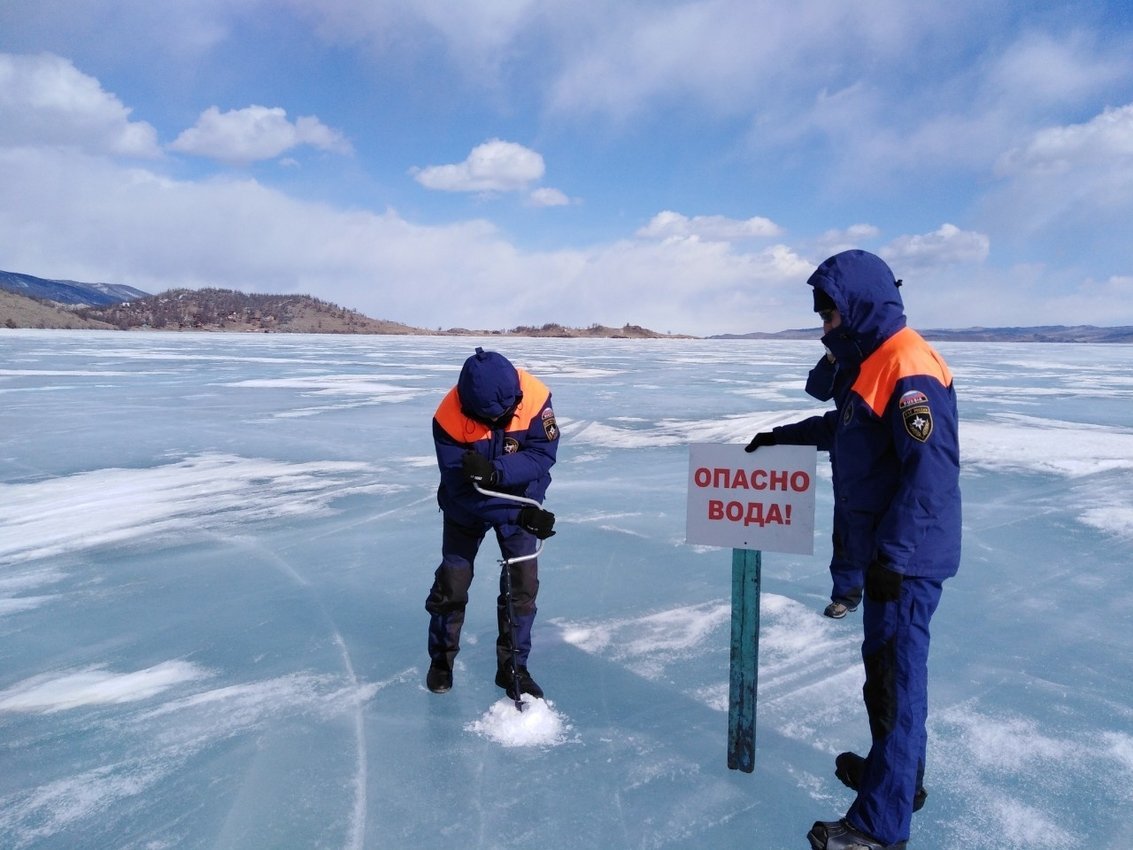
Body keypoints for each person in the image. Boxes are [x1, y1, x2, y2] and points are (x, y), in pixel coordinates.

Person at [783, 250, 961, 850]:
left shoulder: (907, 363)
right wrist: (779, 439)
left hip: (903, 561)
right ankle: (898, 779)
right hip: (890, 553)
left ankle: (878, 829)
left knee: (894, 682)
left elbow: (929, 473)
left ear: (856, 306)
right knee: (887, 678)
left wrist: (895, 559)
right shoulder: (875, 363)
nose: (824, 326)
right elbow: (848, 430)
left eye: (829, 315)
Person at [425, 347, 559, 701]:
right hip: (468, 509)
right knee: (453, 583)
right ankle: (441, 659)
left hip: (521, 497)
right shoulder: (448, 417)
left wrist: (498, 472)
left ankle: (513, 668)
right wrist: (520, 513)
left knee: (522, 588)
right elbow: (459, 489)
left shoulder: (534, 398)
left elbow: (542, 455)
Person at [745, 347, 864, 618]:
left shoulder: (881, 376)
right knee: (845, 537)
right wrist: (774, 437)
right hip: (848, 488)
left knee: (886, 548)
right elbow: (819, 404)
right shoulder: (843, 412)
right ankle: (846, 596)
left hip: (882, 489)